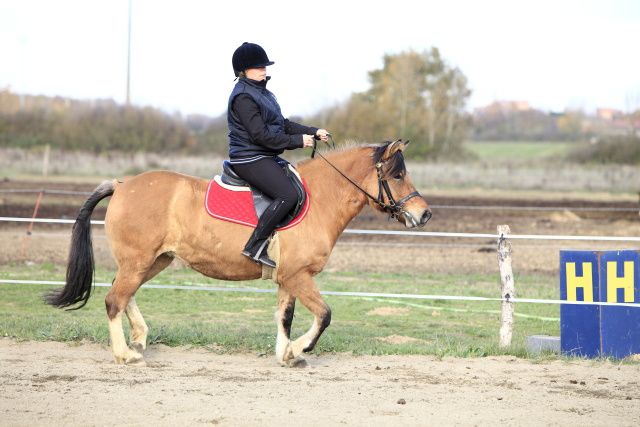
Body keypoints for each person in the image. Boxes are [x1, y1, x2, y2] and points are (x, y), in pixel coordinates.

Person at [227, 42, 330, 268]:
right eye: (258, 66)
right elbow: (261, 136)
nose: (264, 69)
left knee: (301, 184)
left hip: (264, 155)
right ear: (243, 70)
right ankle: (255, 245)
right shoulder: (243, 97)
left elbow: (281, 124)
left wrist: (313, 131)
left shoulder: (263, 92)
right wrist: (298, 142)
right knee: (288, 195)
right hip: (249, 157)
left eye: (264, 65)